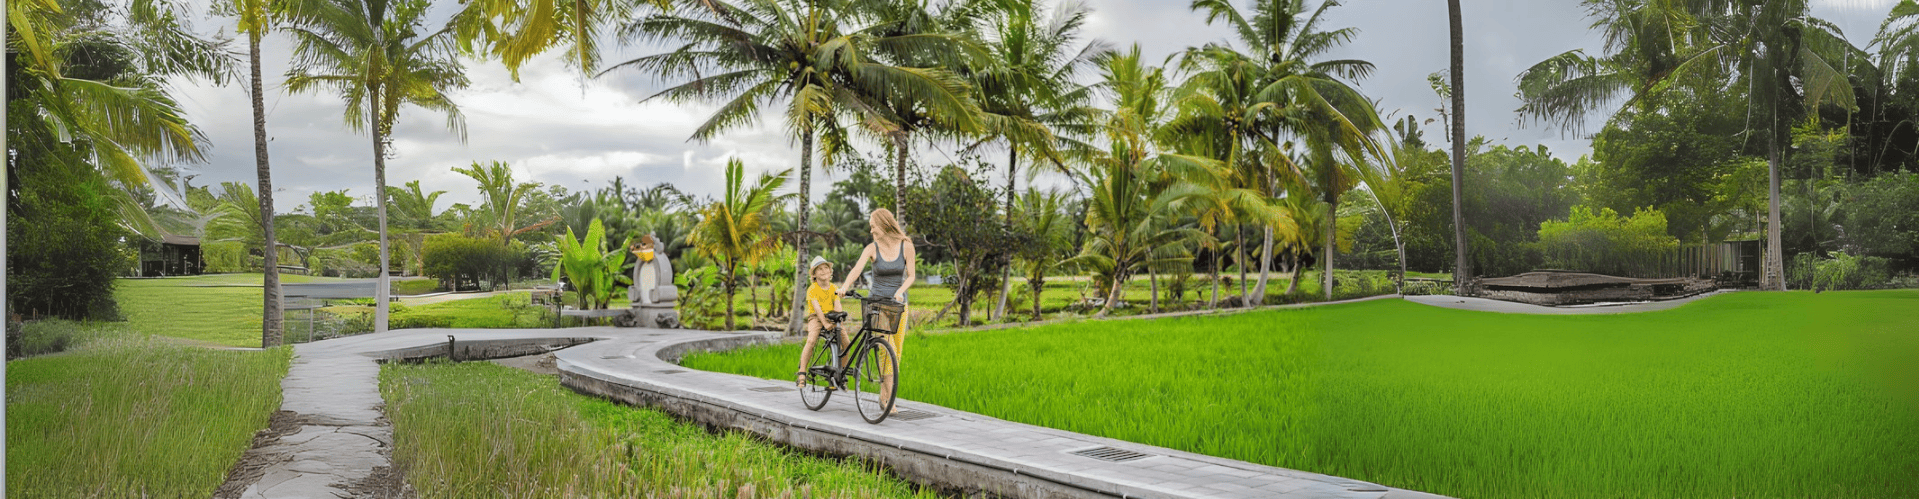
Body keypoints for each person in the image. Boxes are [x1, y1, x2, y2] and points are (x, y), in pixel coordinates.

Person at [837, 208, 915, 411]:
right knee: (886, 349)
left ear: (884, 224)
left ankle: (884, 394)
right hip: (877, 305)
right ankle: (890, 401)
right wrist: (844, 286)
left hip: (898, 305)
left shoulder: (906, 246)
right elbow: (857, 269)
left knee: (896, 353)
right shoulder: (872, 248)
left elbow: (912, 275)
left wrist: (900, 291)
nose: (871, 231)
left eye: (873, 226)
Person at [797, 256, 846, 387]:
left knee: (846, 343)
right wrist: (825, 324)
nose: (824, 271)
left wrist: (837, 318)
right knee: (811, 340)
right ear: (814, 274)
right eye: (820, 269)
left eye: (826, 268)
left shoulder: (833, 287)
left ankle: (841, 373)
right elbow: (817, 309)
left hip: (831, 316)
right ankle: (802, 372)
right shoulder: (812, 289)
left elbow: (837, 305)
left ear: (830, 271)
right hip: (816, 318)